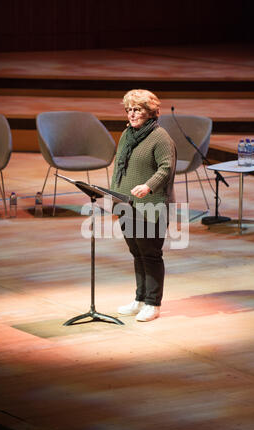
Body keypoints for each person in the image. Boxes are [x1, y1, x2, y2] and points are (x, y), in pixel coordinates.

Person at [111, 89, 176, 322]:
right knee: (136, 253)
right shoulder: (127, 134)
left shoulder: (160, 137)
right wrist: (115, 199)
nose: (131, 114)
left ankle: (153, 303)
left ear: (150, 112)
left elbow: (166, 168)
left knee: (150, 254)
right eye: (128, 110)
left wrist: (148, 186)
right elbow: (120, 167)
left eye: (137, 109)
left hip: (152, 205)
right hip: (127, 204)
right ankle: (140, 299)